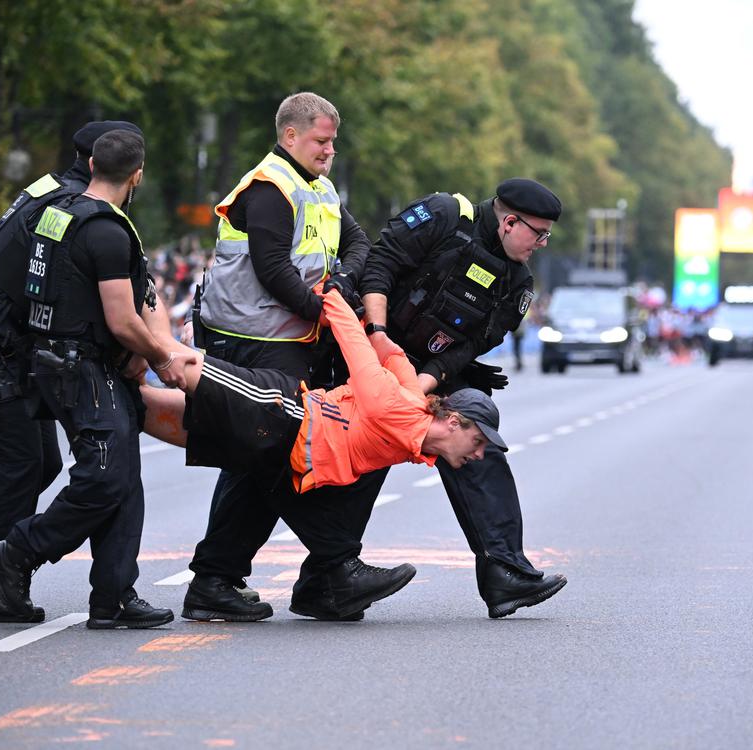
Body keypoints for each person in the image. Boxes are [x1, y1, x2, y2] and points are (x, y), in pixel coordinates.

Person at [183, 91, 414, 623]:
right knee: (274, 454)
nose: (330, 151)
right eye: (321, 140)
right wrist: (326, 311)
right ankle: (332, 566)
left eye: (333, 142)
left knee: (257, 459)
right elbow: (271, 269)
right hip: (252, 342)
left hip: (288, 342)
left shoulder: (321, 189)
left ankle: (217, 580)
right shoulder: (269, 188)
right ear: (291, 135)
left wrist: (342, 283)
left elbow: (359, 244)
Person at [0, 129, 196, 629]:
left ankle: (113, 598)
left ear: (91, 164)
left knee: (124, 478)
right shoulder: (109, 231)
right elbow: (122, 320)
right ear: (137, 175)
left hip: (56, 361)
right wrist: (162, 358)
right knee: (105, 478)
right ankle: (13, 555)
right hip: (87, 368)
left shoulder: (56, 213)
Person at [0, 121, 142, 620]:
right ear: (98, 165)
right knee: (21, 464)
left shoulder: (50, 191)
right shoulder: (71, 209)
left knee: (39, 465)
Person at [347, 178, 570, 618]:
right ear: (509, 222)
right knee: (356, 447)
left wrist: (421, 384)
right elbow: (380, 265)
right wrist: (377, 341)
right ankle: (325, 573)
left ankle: (505, 572)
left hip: (422, 372)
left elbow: (468, 347)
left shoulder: (517, 283)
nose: (542, 244)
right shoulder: (446, 215)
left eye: (548, 235)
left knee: (472, 432)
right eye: (538, 233)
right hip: (362, 347)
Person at [142, 287, 498, 489]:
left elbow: (392, 356)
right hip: (285, 415)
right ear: (453, 423)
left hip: (284, 449)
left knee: (181, 423)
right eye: (478, 442)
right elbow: (360, 353)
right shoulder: (396, 408)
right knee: (178, 362)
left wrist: (372, 326)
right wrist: (331, 298)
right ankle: (143, 296)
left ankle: (123, 393)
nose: (479, 455)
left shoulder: (415, 417)